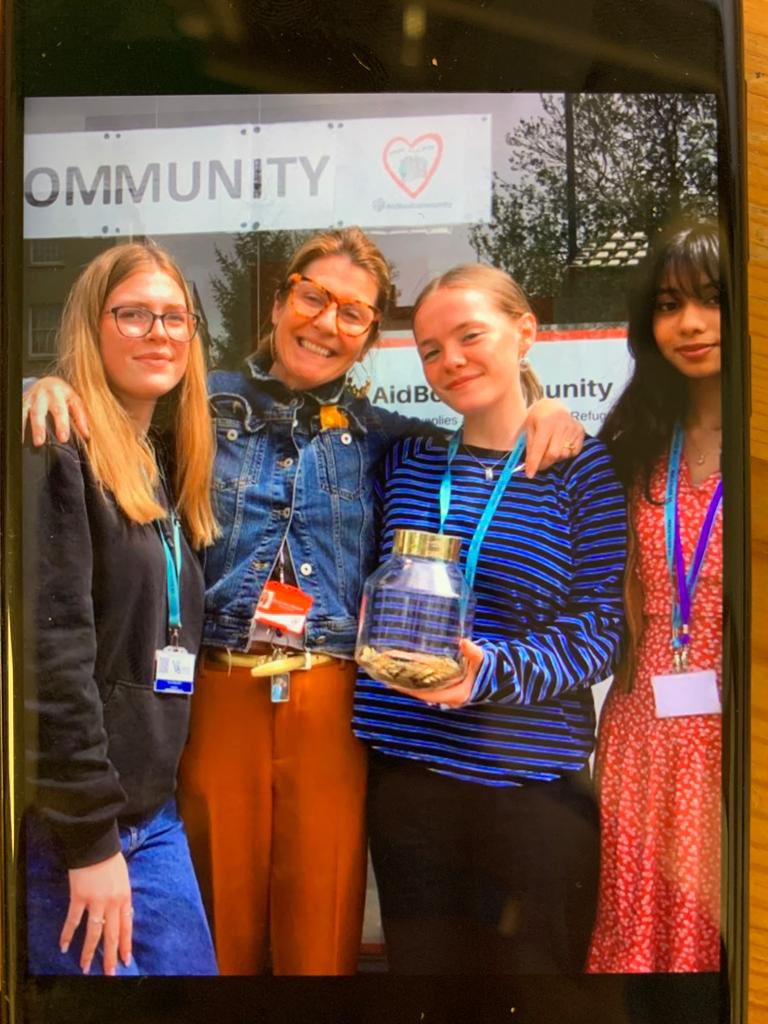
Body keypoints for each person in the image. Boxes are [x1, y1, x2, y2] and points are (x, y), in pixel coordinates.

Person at [23, 228, 584, 976]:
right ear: (282, 298)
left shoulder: (383, 436)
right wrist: (48, 384)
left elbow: (480, 431)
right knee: (215, 924)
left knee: (320, 935)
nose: (325, 322)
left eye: (352, 314)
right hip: (213, 691)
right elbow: (109, 402)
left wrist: (541, 403)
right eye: (313, 297)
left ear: (368, 339)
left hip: (328, 691)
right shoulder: (196, 405)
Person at [352, 264, 627, 974]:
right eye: (431, 350)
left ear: (525, 332)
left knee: (535, 990)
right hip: (408, 776)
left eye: (470, 335)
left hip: (528, 785)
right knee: (426, 983)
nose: (451, 361)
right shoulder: (406, 459)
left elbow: (602, 631)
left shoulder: (581, 470)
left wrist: (489, 674)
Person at [23, 243, 219, 976]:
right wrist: (90, 841)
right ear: (90, 325)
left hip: (151, 818)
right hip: (81, 833)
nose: (158, 331)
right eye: (132, 313)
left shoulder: (158, 458)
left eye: (174, 317)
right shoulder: (56, 448)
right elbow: (56, 659)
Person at [587, 221, 723, 973]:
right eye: (670, 305)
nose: (691, 324)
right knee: (642, 948)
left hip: (738, 738)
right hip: (646, 731)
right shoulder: (637, 437)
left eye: (711, 301)